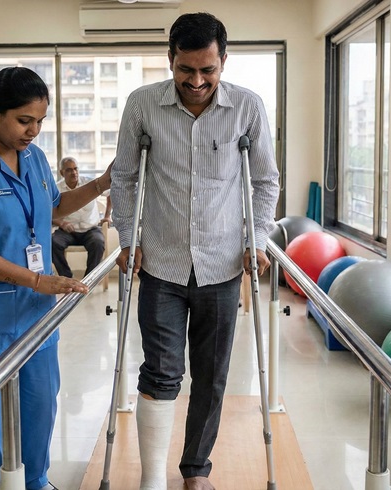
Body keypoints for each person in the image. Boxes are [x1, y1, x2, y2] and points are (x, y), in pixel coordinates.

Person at [110, 12, 280, 490]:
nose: (197, 80)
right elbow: (124, 177)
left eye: (208, 69)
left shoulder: (247, 107)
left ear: (223, 61)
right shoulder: (142, 105)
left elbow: (265, 181)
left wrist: (257, 238)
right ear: (171, 60)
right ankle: (151, 478)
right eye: (186, 70)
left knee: (210, 375)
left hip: (223, 265)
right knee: (161, 371)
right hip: (161, 262)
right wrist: (129, 237)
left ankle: (195, 470)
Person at [0, 66, 111, 490]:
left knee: (39, 407)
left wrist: (102, 183)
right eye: (24, 120)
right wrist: (36, 281)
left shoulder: (33, 157)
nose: (33, 131)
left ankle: (36, 482)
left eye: (40, 121)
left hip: (34, 314)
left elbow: (52, 207)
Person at [51, 156, 111, 278]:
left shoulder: (89, 184)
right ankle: (67, 278)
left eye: (75, 169)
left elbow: (110, 194)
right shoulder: (56, 189)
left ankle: (88, 280)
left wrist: (107, 216)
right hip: (67, 232)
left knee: (98, 243)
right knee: (52, 243)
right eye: (69, 170)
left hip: (90, 230)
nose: (74, 172)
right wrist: (61, 223)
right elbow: (48, 211)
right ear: (62, 172)